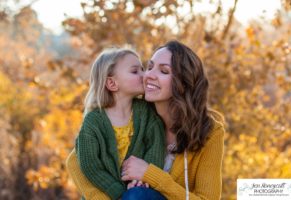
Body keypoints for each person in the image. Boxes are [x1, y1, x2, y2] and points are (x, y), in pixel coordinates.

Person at [121, 40, 224, 200]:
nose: (149, 75)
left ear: (183, 82)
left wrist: (150, 175)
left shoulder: (209, 131)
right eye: (149, 67)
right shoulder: (134, 114)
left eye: (163, 71)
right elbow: (75, 160)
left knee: (137, 196)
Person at [66, 47, 166, 200]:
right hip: (105, 193)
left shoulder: (146, 112)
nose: (144, 74)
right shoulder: (93, 122)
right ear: (112, 83)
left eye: (142, 69)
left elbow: (156, 146)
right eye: (135, 71)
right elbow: (90, 165)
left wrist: (142, 178)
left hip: (139, 191)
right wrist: (117, 192)